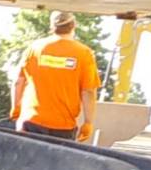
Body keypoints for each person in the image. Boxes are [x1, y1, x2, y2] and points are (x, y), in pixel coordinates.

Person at [10, 11, 100, 141]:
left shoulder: (35, 48)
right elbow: (88, 91)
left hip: (31, 122)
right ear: (73, 25)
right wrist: (88, 122)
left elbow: (18, 81)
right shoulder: (84, 53)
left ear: (52, 27)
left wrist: (16, 109)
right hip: (63, 127)